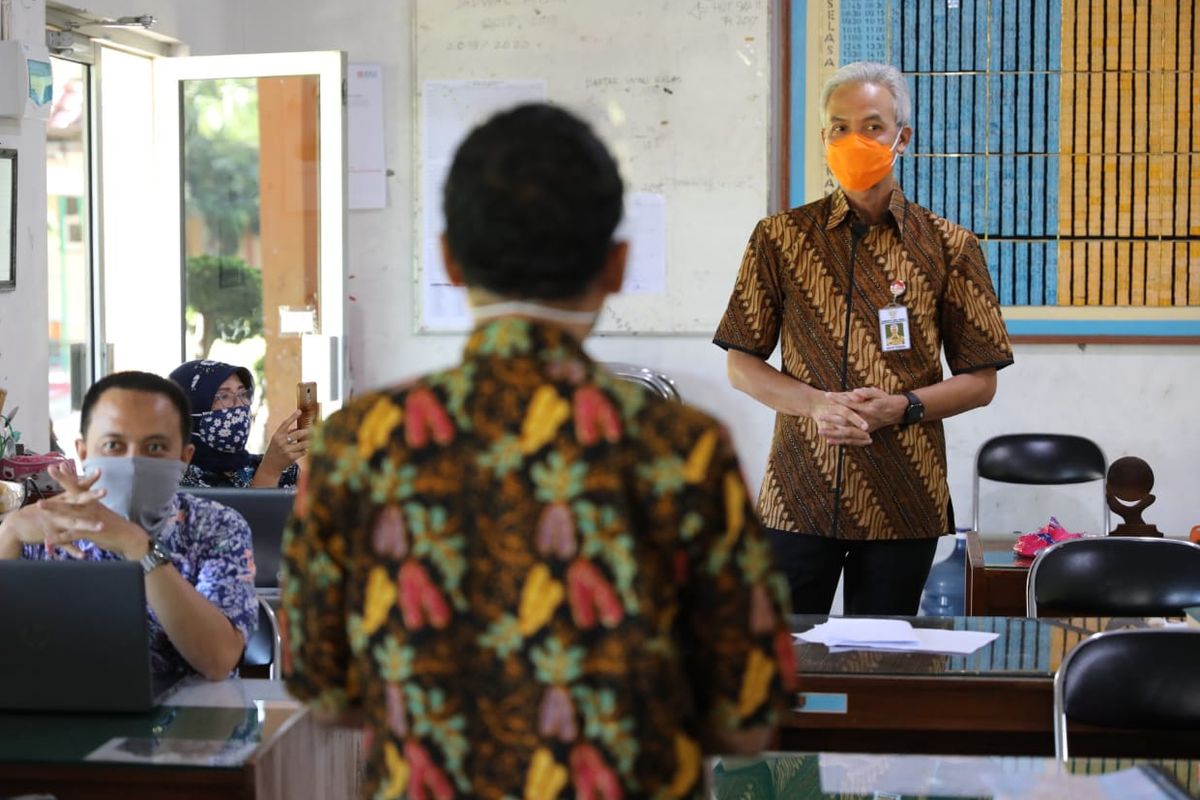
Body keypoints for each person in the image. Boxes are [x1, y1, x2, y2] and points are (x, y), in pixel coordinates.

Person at [282, 103, 795, 799]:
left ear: (449, 260)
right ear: (617, 265)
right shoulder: (682, 448)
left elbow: (325, 693)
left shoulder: (356, 442)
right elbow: (746, 722)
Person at [714, 61, 1014, 616]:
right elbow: (741, 362)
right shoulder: (779, 239)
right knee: (785, 662)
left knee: (885, 667)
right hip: (800, 489)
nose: (854, 139)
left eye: (872, 126)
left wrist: (900, 408)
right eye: (838, 126)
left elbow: (980, 380)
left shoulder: (950, 246)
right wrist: (817, 404)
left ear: (902, 137)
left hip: (904, 494)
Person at [0, 371, 258, 679]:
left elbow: (218, 660)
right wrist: (9, 535)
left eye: (155, 448)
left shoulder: (217, 527)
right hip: (55, 715)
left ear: (184, 457)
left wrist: (138, 546)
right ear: (83, 453)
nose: (133, 462)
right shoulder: (40, 526)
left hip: (191, 718)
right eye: (113, 445)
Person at [169, 360, 308, 488]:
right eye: (224, 396)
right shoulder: (173, 481)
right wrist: (269, 473)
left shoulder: (285, 471)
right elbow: (236, 516)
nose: (240, 405)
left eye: (243, 394)